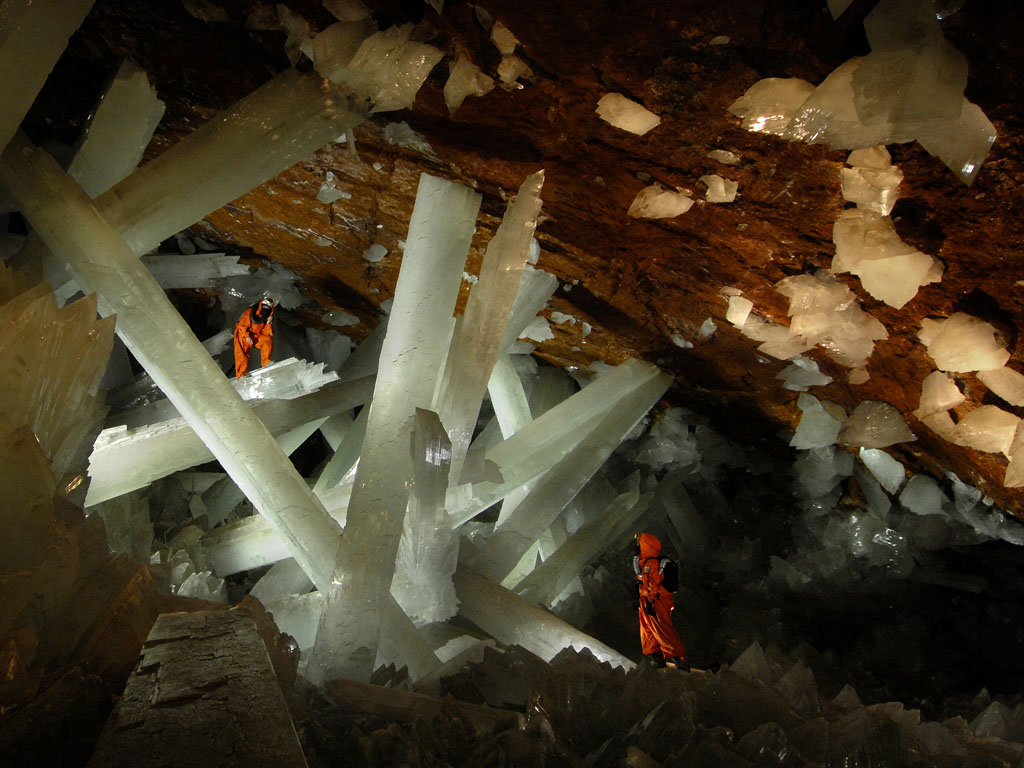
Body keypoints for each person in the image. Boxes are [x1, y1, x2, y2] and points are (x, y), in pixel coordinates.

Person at [633, 532, 688, 669]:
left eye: (640, 544)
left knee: (663, 630)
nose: (637, 547)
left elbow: (670, 586)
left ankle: (677, 659)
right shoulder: (643, 564)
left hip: (658, 601)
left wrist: (655, 593)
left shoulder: (659, 564)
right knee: (647, 631)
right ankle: (655, 657)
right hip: (647, 601)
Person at [233, 296, 275, 378]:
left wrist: (268, 323)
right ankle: (241, 374)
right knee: (242, 354)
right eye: (264, 306)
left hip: (255, 336)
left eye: (268, 307)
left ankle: (266, 362)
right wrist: (246, 337)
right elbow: (242, 326)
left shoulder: (266, 318)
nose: (265, 308)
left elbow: (267, 333)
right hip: (243, 334)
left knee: (267, 340)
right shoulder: (250, 312)